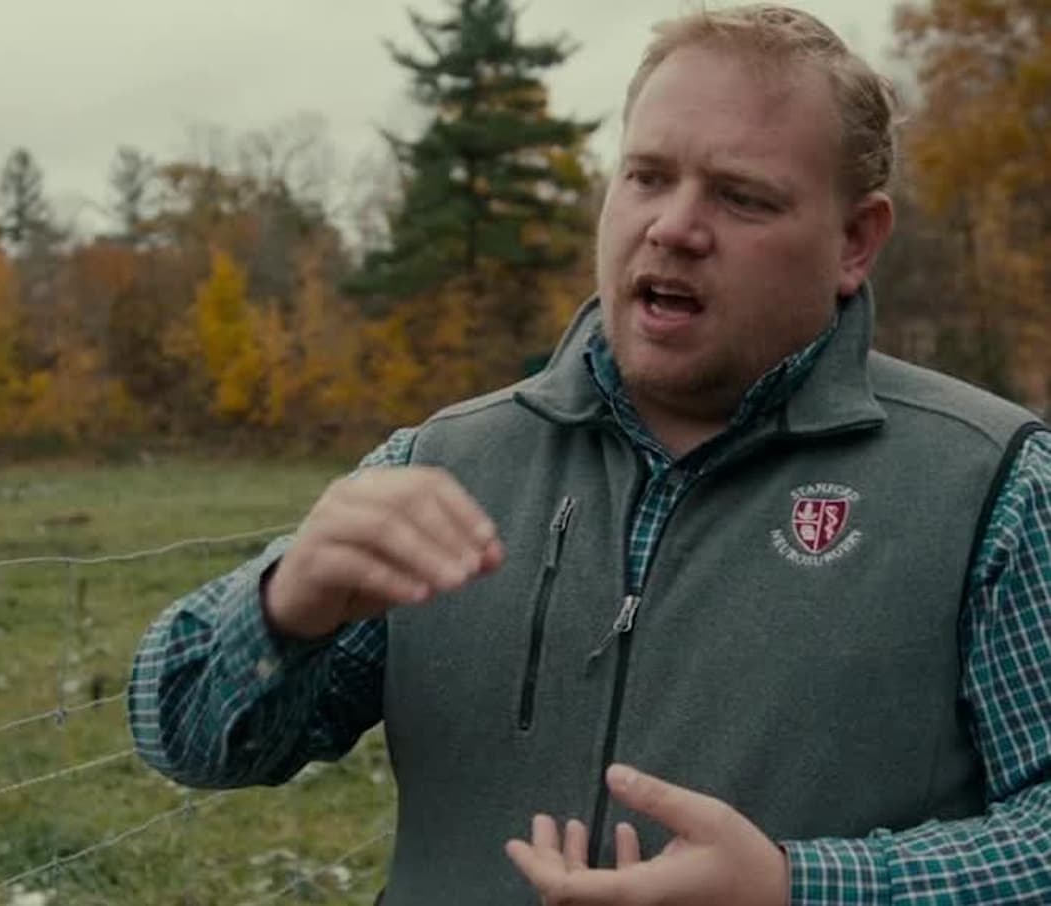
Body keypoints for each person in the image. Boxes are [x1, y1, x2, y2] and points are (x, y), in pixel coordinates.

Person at [127, 5, 1051, 904]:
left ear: (855, 242)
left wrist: (794, 887)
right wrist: (284, 607)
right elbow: (191, 742)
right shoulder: (442, 462)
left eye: (741, 196)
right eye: (647, 176)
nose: (674, 226)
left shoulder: (991, 486)